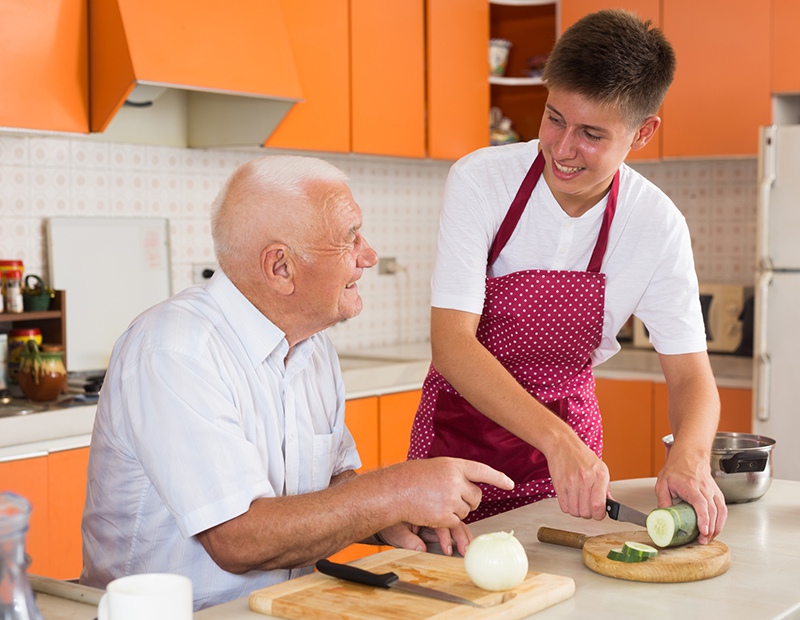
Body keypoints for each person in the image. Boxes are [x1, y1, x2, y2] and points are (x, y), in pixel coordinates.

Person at [80, 155, 513, 610]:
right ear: (280, 268)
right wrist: (394, 492)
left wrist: (393, 517)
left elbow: (330, 490)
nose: (369, 255)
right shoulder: (175, 350)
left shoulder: (311, 344)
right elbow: (238, 540)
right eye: (350, 239)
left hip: (285, 607)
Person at [407, 9, 727, 543]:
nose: (562, 148)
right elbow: (452, 345)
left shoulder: (655, 224)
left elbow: (692, 376)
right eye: (554, 118)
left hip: (569, 472)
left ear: (643, 133)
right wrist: (557, 440)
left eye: (592, 134)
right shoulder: (481, 181)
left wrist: (689, 459)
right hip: (457, 448)